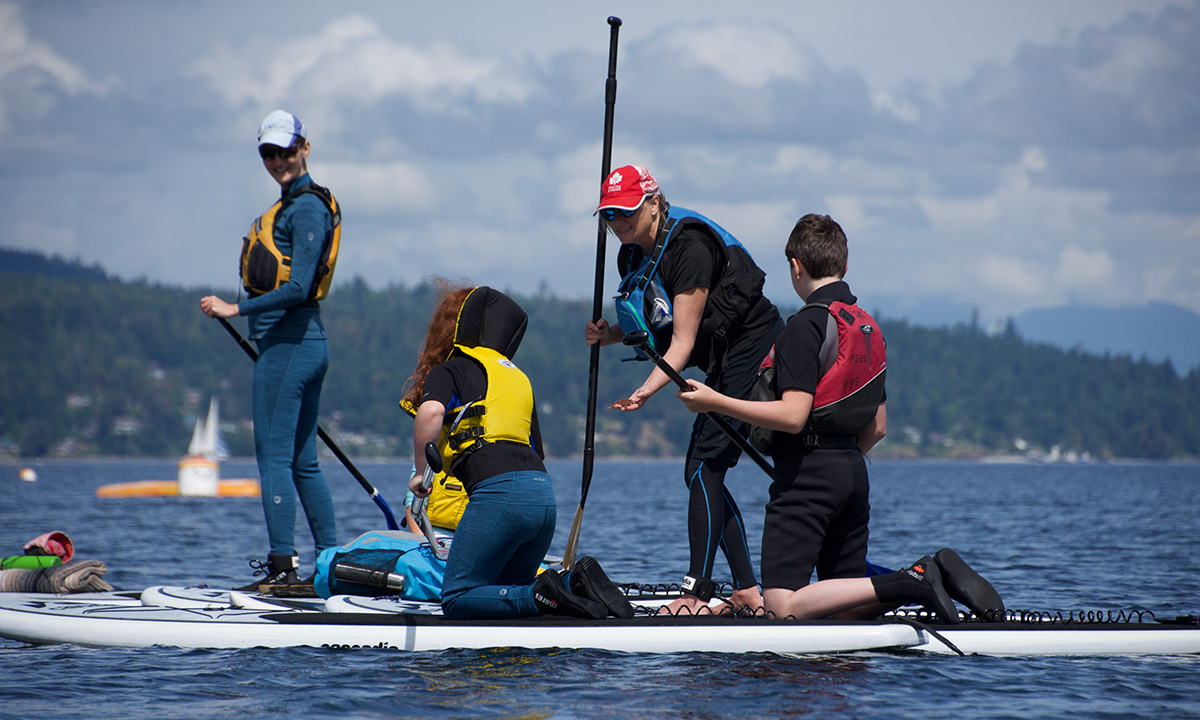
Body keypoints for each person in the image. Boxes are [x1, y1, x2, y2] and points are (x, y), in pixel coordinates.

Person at [676, 214, 1004, 621]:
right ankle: (931, 576)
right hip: (853, 472)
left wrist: (716, 401)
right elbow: (878, 426)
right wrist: (838, 459)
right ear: (843, 266)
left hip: (807, 478)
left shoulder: (803, 327)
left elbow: (794, 416)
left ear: (795, 266)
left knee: (782, 605)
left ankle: (914, 579)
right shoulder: (866, 327)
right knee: (843, 607)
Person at [585, 165, 784, 614]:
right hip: (723, 357)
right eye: (608, 215)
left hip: (755, 348)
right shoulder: (633, 254)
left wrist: (644, 392)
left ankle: (698, 592)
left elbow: (682, 343)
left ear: (653, 203)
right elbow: (657, 319)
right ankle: (747, 592)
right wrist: (609, 334)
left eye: (625, 212)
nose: (616, 223)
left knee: (702, 469)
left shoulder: (689, 248)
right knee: (704, 470)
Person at [402, 282, 633, 620]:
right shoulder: (518, 378)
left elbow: (430, 412)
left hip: (499, 494)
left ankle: (549, 591)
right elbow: (537, 449)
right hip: (542, 498)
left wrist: (423, 475)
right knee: (514, 590)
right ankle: (571, 583)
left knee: (456, 596)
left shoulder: (451, 368)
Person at [201, 109, 340, 591]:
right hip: (301, 345)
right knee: (302, 463)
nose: (277, 160)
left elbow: (301, 285)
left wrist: (235, 310)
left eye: (285, 150)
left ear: (305, 147)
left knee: (274, 462)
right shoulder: (294, 204)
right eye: (268, 152)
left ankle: (284, 568)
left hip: (289, 345)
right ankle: (330, 567)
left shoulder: (305, 209)